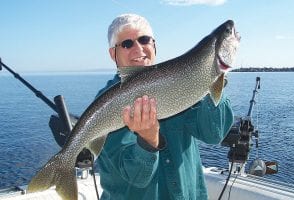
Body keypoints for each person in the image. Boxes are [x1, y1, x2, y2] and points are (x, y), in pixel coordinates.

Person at [96, 13, 234, 200]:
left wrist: (213, 79)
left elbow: (213, 134)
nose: (138, 49)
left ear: (154, 45)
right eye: (127, 44)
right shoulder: (107, 105)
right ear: (113, 53)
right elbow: (135, 177)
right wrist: (148, 141)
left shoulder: (184, 82)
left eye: (144, 40)